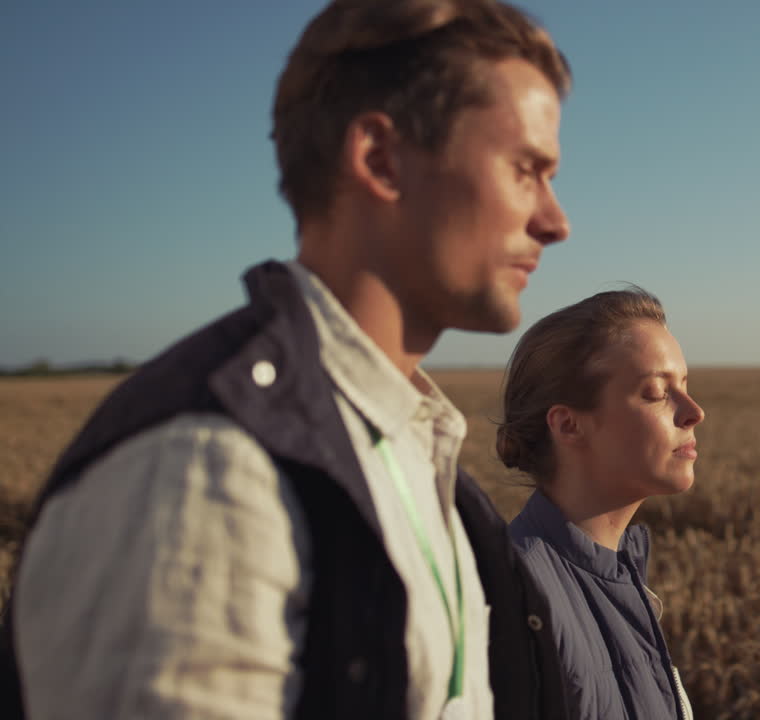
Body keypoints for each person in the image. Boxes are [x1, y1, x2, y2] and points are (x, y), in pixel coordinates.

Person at [0, 1, 574, 718]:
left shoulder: (414, 447)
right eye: (527, 169)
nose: (556, 221)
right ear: (380, 159)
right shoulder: (205, 466)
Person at [496, 287, 705, 720]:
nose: (693, 411)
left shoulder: (622, 574)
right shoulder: (518, 601)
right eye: (655, 392)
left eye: (684, 385)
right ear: (569, 425)